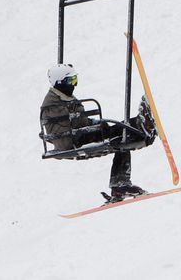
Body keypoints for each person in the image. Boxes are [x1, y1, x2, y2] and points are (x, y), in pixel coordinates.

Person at [40, 64, 156, 201]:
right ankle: (141, 127)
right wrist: (92, 125)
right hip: (72, 142)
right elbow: (70, 126)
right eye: (71, 81)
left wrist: (94, 124)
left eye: (75, 80)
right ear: (59, 82)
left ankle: (141, 128)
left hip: (76, 136)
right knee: (118, 135)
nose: (74, 85)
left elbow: (76, 122)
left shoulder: (61, 97)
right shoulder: (54, 104)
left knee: (118, 135)